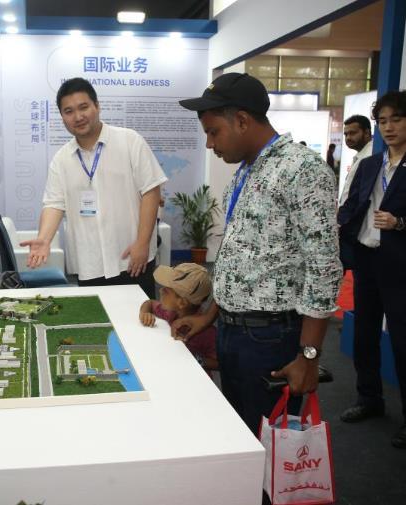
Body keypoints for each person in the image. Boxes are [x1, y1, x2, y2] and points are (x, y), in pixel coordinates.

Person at [176, 73, 342, 435]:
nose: (210, 144)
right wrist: (209, 317)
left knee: (266, 445)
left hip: (271, 337)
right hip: (232, 332)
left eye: (213, 132)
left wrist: (309, 356)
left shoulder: (302, 169)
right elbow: (238, 259)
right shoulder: (246, 171)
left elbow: (324, 268)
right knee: (239, 436)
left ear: (241, 120)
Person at [20, 78, 167, 299]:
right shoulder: (61, 160)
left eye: (83, 107)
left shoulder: (129, 141)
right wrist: (44, 238)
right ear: (62, 117)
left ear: (97, 106)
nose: (78, 116)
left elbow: (151, 192)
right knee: (98, 317)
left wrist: (142, 243)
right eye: (69, 111)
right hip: (90, 263)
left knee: (139, 315)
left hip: (132, 258)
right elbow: (54, 204)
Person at [337, 90, 406, 449]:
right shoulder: (369, 165)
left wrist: (400, 223)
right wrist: (336, 225)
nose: (389, 127)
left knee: (403, 341)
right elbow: (352, 206)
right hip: (366, 259)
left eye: (397, 119)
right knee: (364, 335)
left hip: (400, 265)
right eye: (383, 121)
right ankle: (369, 399)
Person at [139, 263, 218, 371]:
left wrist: (193, 358)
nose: (160, 291)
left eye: (166, 291)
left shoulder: (207, 333)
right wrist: (144, 313)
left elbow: (218, 364)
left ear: (182, 303)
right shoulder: (171, 312)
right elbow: (149, 303)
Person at [338, 114, 373, 270]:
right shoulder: (360, 156)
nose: (348, 138)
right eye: (346, 134)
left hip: (357, 226)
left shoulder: (370, 157)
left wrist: (343, 220)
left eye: (353, 133)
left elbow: (360, 196)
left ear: (367, 133)